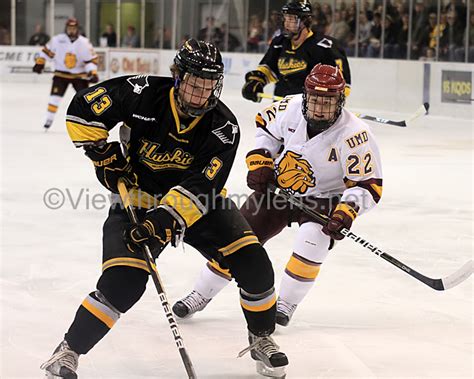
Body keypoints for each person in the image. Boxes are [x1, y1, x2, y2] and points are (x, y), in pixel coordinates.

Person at [40, 39, 288, 379]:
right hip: (139, 196)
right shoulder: (141, 93)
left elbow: (204, 185)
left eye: (207, 86)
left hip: (202, 206)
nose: (200, 94)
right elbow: (82, 109)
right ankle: (68, 350)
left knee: (255, 264)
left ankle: (261, 338)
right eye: (193, 83)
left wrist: (164, 219)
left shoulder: (223, 126)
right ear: (177, 77)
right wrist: (102, 153)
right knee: (123, 283)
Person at [172, 64, 383, 327]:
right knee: (237, 240)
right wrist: (261, 161)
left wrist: (346, 211)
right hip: (278, 191)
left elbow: (367, 185)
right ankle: (200, 294)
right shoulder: (290, 107)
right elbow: (266, 131)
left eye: (327, 102)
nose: (319, 109)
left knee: (312, 241)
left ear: (340, 101)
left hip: (325, 198)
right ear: (305, 96)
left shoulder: (355, 135)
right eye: (315, 100)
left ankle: (286, 303)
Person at [242, 0, 351, 103]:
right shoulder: (279, 42)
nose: (286, 23)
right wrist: (256, 81)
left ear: (305, 21)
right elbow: (268, 68)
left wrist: (326, 101)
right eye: (285, 18)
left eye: (291, 19)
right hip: (281, 106)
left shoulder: (325, 46)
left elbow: (343, 83)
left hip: (310, 110)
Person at [32, 17, 98, 130]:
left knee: (85, 99)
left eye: (74, 28)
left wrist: (92, 72)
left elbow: (90, 61)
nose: (71, 30)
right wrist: (40, 63)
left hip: (79, 76)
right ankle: (49, 119)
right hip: (61, 75)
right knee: (54, 98)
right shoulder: (57, 40)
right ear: (66, 28)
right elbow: (46, 52)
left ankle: (90, 121)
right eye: (69, 28)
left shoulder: (84, 43)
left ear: (77, 29)